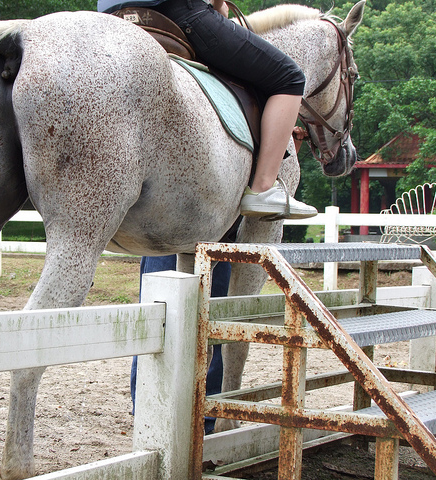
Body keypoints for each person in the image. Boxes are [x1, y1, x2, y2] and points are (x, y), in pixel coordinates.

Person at [98, 0, 318, 219]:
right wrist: (218, 5)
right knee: (290, 77)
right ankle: (263, 188)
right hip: (177, 11)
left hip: (111, 15)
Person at [133, 255, 231, 434]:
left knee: (215, 319)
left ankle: (207, 413)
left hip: (220, 242)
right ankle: (152, 411)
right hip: (168, 245)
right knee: (159, 316)